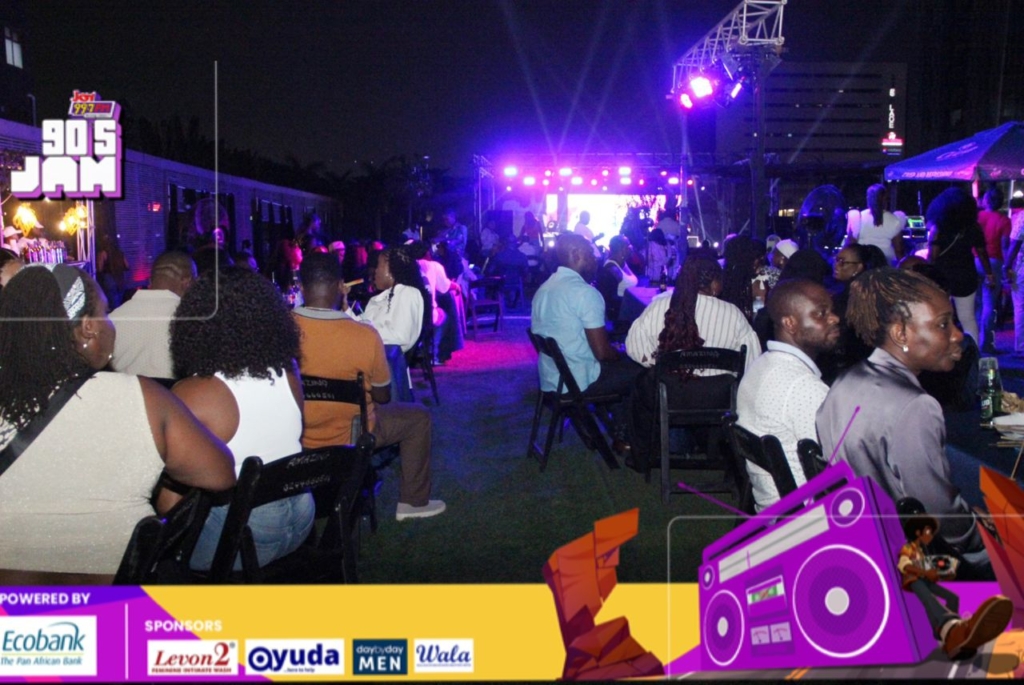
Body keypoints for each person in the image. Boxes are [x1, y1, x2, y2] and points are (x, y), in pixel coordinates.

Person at [0, 264, 234, 583]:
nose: (111, 323)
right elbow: (220, 474)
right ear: (88, 328)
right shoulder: (141, 397)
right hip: (115, 598)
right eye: (105, 312)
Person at [816, 268, 992, 579]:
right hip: (910, 561)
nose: (957, 335)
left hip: (861, 541)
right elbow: (941, 518)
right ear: (901, 334)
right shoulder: (916, 406)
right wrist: (984, 534)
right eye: (943, 324)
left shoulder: (845, 381)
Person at [170, 266, 313, 572]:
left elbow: (170, 501)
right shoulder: (288, 372)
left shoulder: (195, 393)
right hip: (302, 516)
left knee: (164, 520)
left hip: (245, 534)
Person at [294, 253, 446, 520]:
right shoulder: (365, 335)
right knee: (418, 417)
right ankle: (413, 502)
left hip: (297, 434)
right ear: (341, 286)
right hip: (352, 434)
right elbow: (383, 395)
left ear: (300, 287)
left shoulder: (281, 331)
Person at [627, 256, 761, 469]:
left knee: (640, 385)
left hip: (669, 397)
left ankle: (643, 456)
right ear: (715, 284)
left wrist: (657, 363)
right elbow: (751, 363)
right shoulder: (733, 315)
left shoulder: (659, 307)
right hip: (719, 399)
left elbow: (635, 349)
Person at [531, 233, 642, 448]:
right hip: (578, 381)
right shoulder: (585, 293)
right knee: (641, 370)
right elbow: (602, 353)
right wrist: (622, 351)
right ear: (576, 254)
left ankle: (616, 428)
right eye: (591, 254)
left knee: (618, 367)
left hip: (552, 378)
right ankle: (625, 435)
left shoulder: (544, 289)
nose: (596, 258)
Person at [736, 279, 840, 510]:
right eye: (821, 313)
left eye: (831, 311)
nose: (834, 318)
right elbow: (839, 466)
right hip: (808, 515)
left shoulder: (761, 364)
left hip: (769, 505)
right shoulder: (803, 386)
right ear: (790, 323)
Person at [896, 503, 1011, 659]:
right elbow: (904, 565)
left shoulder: (927, 544)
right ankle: (952, 631)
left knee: (953, 597)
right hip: (915, 581)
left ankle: (951, 630)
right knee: (931, 601)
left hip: (944, 571)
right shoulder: (908, 548)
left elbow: (947, 565)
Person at [109, 251, 196, 379]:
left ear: (150, 280)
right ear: (187, 282)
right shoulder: (193, 320)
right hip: (177, 391)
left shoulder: (113, 319)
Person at [926, 187, 994, 346]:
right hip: (966, 274)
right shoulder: (973, 227)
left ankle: (942, 351)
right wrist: (989, 273)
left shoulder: (938, 227)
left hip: (942, 276)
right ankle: (974, 353)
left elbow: (933, 256)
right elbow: (982, 252)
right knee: (968, 318)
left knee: (940, 317)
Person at [342, 245, 427, 354]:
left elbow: (401, 335)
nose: (375, 271)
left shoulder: (408, 293)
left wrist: (365, 329)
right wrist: (344, 304)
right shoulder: (377, 299)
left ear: (391, 271)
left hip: (387, 362)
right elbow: (358, 326)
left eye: (378, 265)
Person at [976, 188, 1012, 353]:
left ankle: (974, 340)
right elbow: (1004, 246)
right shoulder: (1004, 221)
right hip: (994, 262)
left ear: (986, 200)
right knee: (989, 303)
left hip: (975, 259)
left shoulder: (977, 217)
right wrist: (1007, 267)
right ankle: (987, 343)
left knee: (976, 303)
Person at [845, 184, 905, 265]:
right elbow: (899, 249)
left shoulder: (857, 218)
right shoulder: (894, 219)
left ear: (868, 198)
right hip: (886, 263)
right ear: (886, 199)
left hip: (863, 261)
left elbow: (851, 245)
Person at [596, 235, 639, 324]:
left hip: (629, 309)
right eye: (628, 245)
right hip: (620, 315)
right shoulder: (612, 268)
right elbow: (609, 297)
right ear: (622, 248)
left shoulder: (623, 263)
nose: (631, 247)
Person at [1004, 207, 1024, 356]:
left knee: (1020, 306)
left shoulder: (1022, 217)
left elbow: (1014, 244)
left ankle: (1021, 346)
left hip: (1022, 268)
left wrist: (1007, 266)